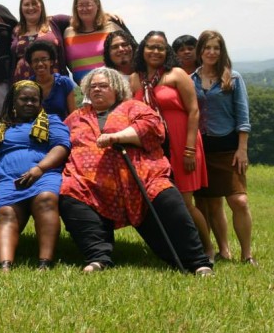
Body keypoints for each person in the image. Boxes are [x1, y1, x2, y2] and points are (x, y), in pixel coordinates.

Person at [59, 67, 213, 275]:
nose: (97, 90)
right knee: (70, 193)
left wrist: (118, 137)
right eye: (92, 87)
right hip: (89, 184)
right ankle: (98, 257)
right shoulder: (75, 118)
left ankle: (197, 261)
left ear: (117, 89)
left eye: (103, 86)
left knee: (168, 198)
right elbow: (60, 141)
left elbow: (153, 128)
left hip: (143, 178)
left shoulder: (134, 107)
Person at [131, 30, 213, 260]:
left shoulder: (176, 74)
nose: (155, 51)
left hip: (181, 142)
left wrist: (189, 149)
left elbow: (194, 111)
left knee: (186, 202)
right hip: (153, 148)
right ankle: (176, 246)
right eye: (150, 47)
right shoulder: (135, 79)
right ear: (143, 49)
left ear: (166, 51)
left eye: (160, 47)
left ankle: (206, 249)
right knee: (164, 201)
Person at [192, 30, 256, 266]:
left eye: (216, 48)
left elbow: (243, 115)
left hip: (229, 148)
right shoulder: (191, 80)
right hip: (202, 150)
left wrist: (242, 148)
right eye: (207, 48)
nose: (211, 52)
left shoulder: (234, 78)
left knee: (239, 201)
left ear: (222, 52)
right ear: (200, 51)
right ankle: (213, 252)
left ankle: (247, 254)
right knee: (206, 204)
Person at [0, 80, 70, 271]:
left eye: (34, 100)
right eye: (24, 99)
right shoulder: (1, 125)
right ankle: (5, 266)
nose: (29, 103)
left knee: (46, 199)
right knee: (6, 213)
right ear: (13, 102)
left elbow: (61, 147)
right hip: (8, 179)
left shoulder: (51, 121)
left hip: (44, 175)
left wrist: (39, 169)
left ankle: (45, 263)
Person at [64, 0, 128, 84]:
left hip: (114, 87)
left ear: (97, 5)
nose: (84, 9)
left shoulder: (113, 27)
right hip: (86, 91)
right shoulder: (68, 33)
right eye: (81, 5)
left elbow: (131, 52)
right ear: (75, 8)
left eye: (88, 5)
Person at [11, 0, 70, 82]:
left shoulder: (55, 22)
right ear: (21, 8)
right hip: (24, 84)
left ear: (41, 5)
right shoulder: (16, 30)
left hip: (54, 83)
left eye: (34, 3)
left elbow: (79, 19)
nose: (30, 7)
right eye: (26, 4)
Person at [25, 40, 76, 121]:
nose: (40, 64)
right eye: (36, 61)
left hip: (61, 130)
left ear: (51, 62)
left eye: (44, 59)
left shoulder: (64, 83)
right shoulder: (27, 86)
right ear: (31, 64)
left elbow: (74, 116)